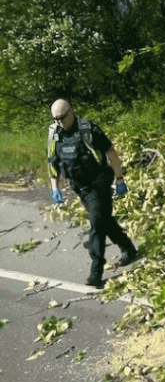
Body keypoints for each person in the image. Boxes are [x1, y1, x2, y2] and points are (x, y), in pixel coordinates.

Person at [47, 99, 139, 289]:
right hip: (80, 187)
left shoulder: (89, 130)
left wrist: (119, 179)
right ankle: (128, 249)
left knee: (97, 223)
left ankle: (95, 272)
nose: (60, 122)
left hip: (99, 182)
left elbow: (110, 152)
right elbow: (52, 162)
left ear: (71, 111)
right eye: (56, 119)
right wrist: (55, 188)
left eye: (63, 117)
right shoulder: (54, 134)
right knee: (103, 220)